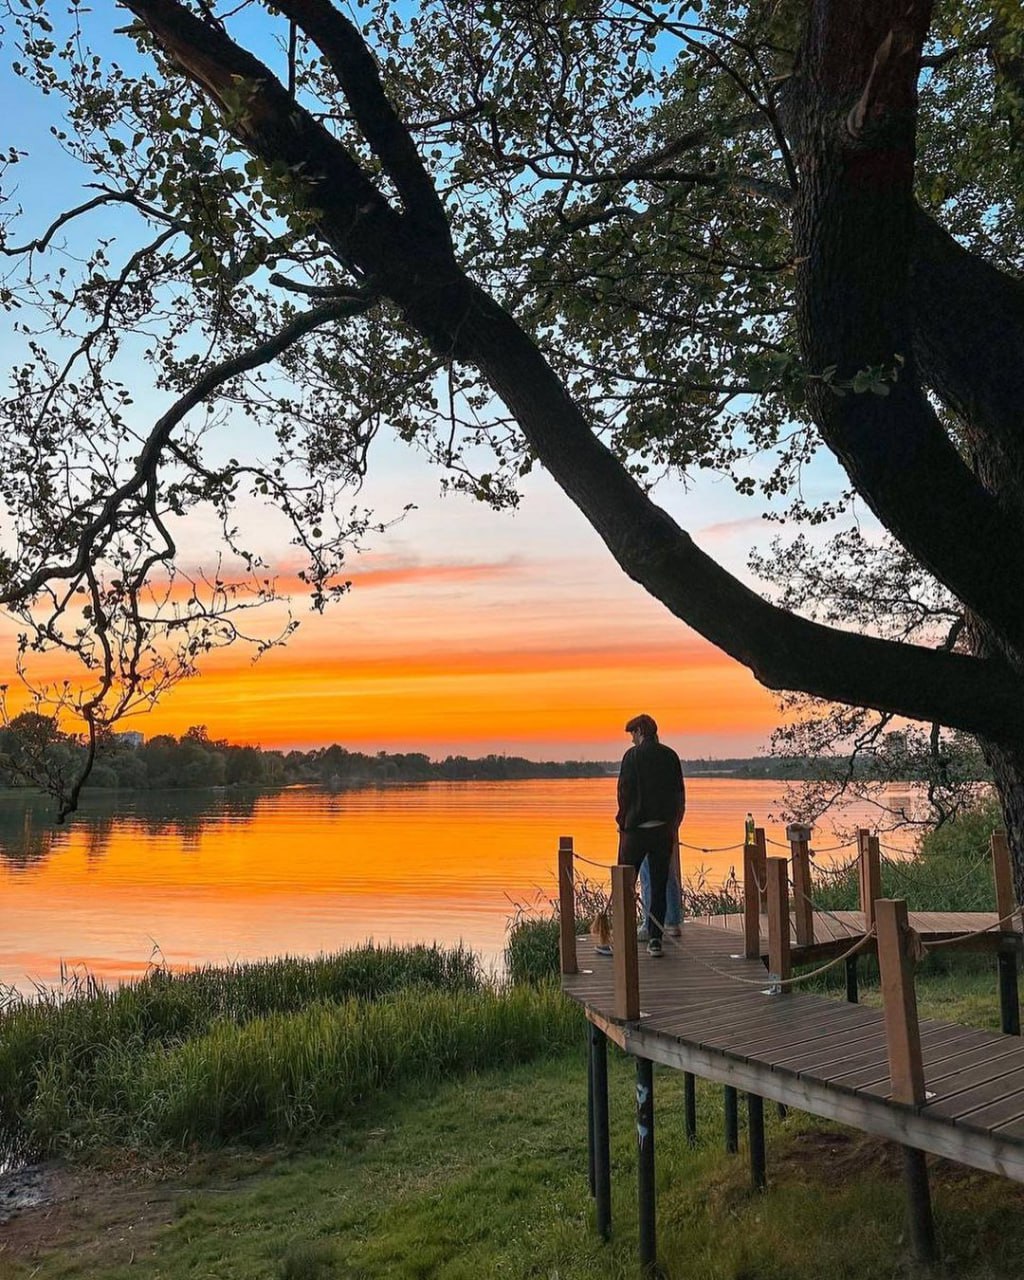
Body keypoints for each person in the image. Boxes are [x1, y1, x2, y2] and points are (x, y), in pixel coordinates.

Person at [616, 713, 685, 957]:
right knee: (658, 883)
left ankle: (622, 934)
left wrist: (622, 821)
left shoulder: (631, 757)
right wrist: (674, 823)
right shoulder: (670, 756)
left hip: (637, 830)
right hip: (662, 830)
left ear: (640, 731)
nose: (632, 740)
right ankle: (655, 939)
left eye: (632, 734)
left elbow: (624, 792)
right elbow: (679, 794)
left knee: (625, 882)